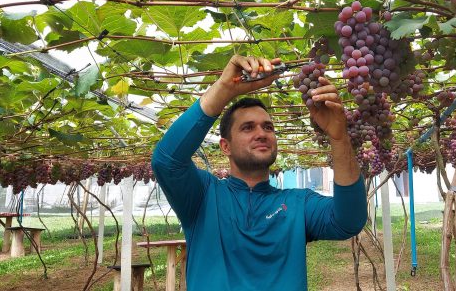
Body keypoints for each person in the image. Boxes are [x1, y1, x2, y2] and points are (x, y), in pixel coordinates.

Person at [152, 55, 367, 291]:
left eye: (268, 127)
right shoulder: (203, 197)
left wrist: (338, 137)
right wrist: (224, 89)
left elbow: (349, 221)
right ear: (226, 146)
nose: (261, 133)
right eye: (247, 127)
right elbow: (166, 160)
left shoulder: (297, 203)